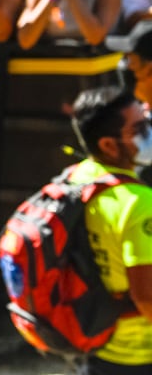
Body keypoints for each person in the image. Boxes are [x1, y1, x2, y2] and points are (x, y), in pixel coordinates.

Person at [66, 87, 152, 373]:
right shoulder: (139, 203)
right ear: (108, 145)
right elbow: (146, 297)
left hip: (95, 340)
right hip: (139, 354)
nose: (149, 134)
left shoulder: (80, 177)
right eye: (139, 129)